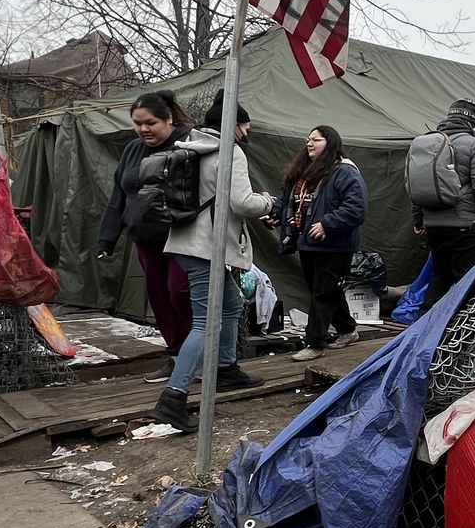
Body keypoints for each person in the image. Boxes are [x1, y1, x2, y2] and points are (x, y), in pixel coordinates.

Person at [150, 105, 277, 430]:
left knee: (231, 304)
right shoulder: (230, 152)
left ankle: (225, 369)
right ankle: (173, 397)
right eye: (244, 127)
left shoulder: (191, 144)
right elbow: (241, 203)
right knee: (206, 322)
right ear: (233, 125)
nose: (245, 133)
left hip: (187, 241)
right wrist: (267, 201)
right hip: (207, 246)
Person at [97, 91, 195, 383]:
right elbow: (119, 194)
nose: (143, 129)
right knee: (160, 297)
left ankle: (200, 353)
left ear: (168, 118)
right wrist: (107, 238)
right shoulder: (132, 150)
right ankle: (177, 355)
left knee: (180, 291)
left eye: (150, 123)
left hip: (182, 235)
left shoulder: (189, 143)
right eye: (137, 124)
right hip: (145, 238)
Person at [276, 125, 368, 363]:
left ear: (331, 143)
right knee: (326, 290)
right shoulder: (306, 172)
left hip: (334, 245)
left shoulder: (345, 172)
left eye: (316, 140)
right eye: (308, 140)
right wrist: (276, 213)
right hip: (308, 243)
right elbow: (289, 199)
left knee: (323, 293)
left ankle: (314, 343)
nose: (309, 144)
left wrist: (328, 224)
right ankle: (347, 329)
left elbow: (356, 208)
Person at [409, 98, 475, 308]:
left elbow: (415, 185)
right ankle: (469, 334)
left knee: (440, 277)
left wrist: (419, 220)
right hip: (463, 225)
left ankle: (425, 328)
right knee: (469, 283)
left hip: (433, 225)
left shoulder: (428, 143)